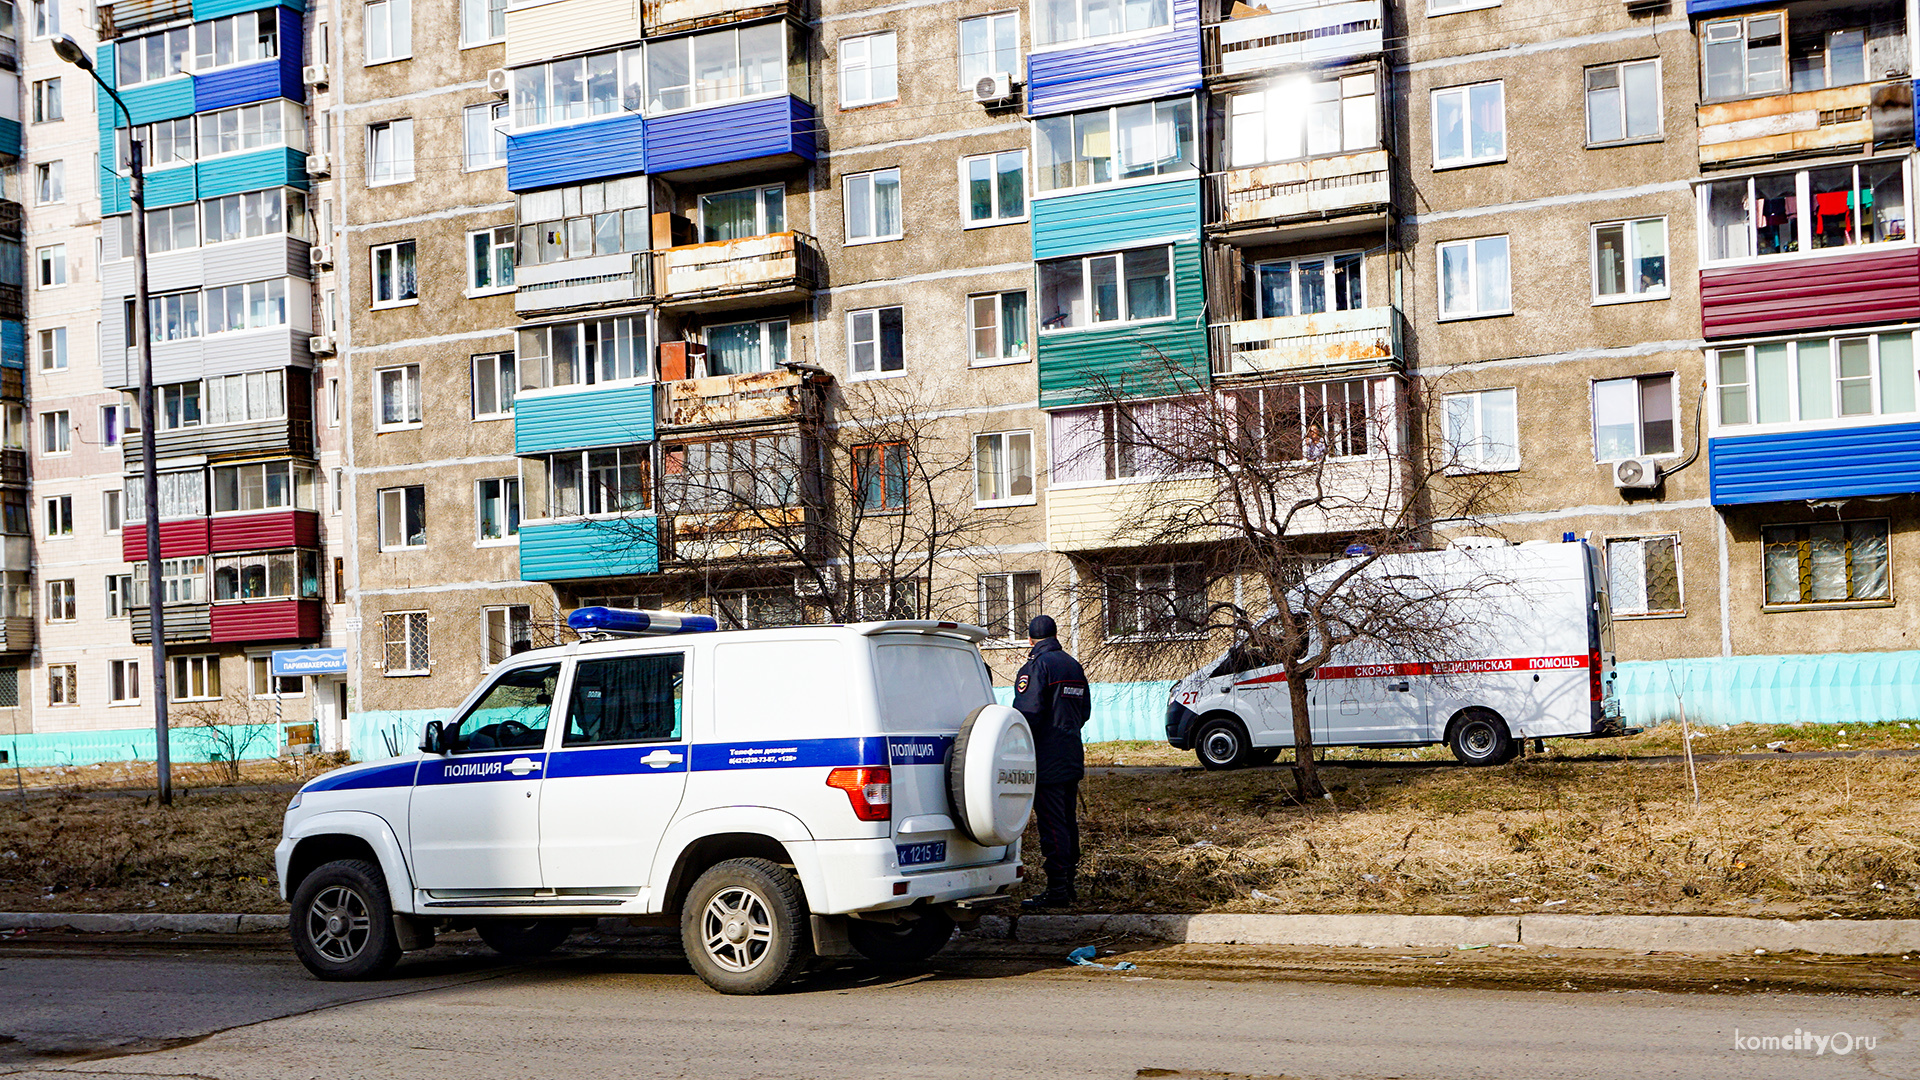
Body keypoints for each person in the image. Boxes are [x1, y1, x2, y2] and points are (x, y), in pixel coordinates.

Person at [1010, 614, 1090, 909]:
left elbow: (1027, 716)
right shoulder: (1073, 666)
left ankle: (1057, 890)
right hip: (1070, 753)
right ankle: (1067, 885)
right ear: (1055, 635)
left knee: (1053, 825)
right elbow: (1084, 712)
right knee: (1067, 822)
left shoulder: (1036, 667)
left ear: (1030, 639)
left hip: (1046, 759)